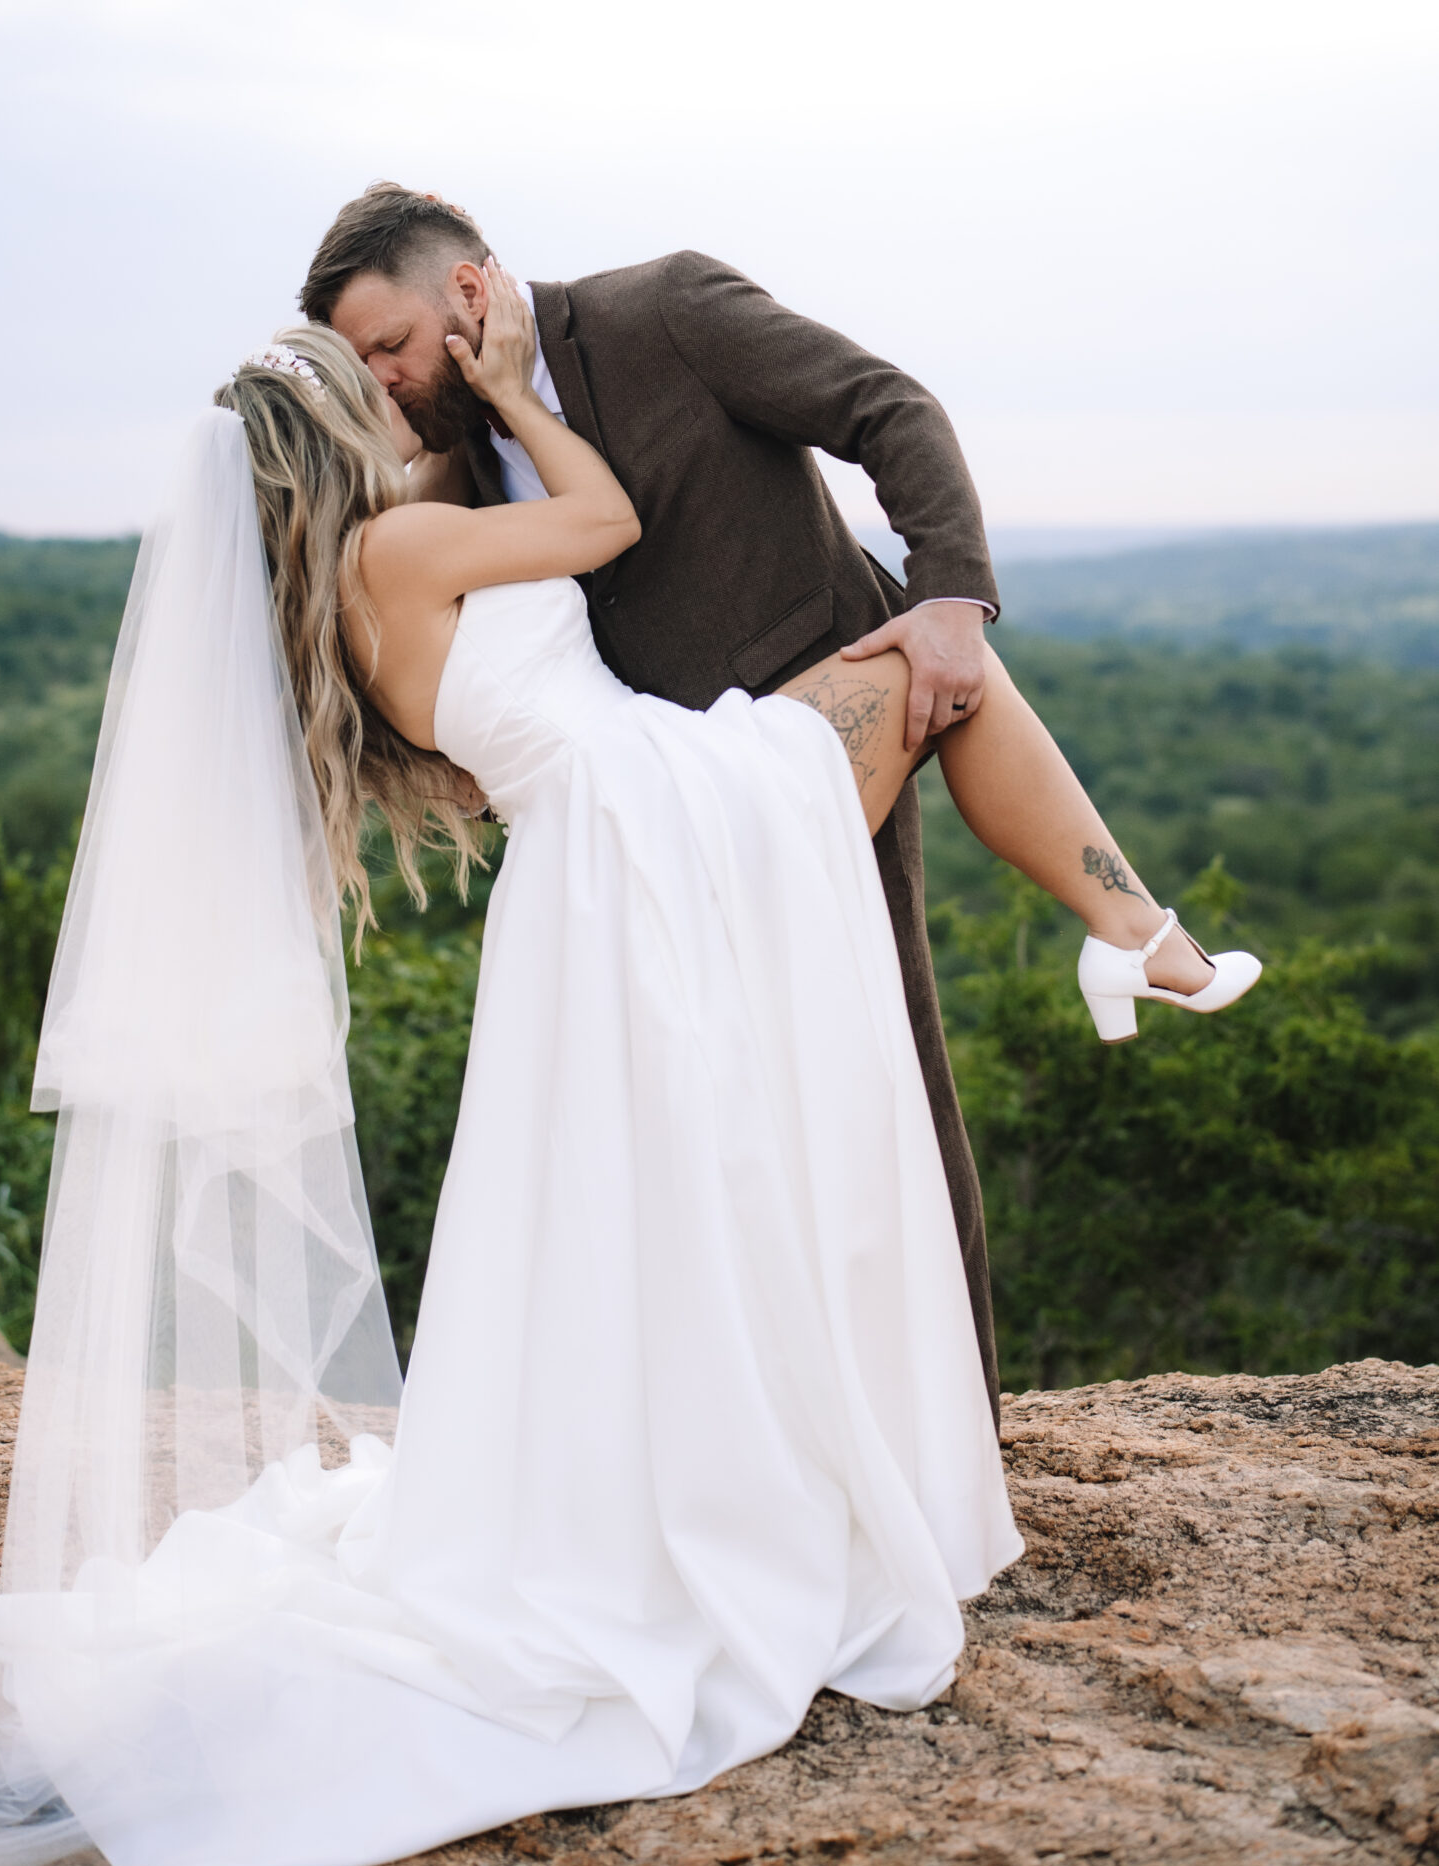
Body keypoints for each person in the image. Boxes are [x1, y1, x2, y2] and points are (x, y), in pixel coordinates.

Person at [0, 276, 1258, 1866]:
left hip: (597, 873)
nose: (409, 392)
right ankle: (1134, 940)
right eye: (375, 380)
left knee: (693, 1157)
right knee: (925, 649)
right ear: (337, 436)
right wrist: (523, 392)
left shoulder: (355, 594)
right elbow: (603, 519)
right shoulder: (402, 555)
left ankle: (1131, 946)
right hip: (652, 836)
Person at [306, 186, 1253, 1404]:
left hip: (814, 754)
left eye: (390, 346)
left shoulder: (668, 310)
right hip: (654, 832)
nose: (381, 379)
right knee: (711, 1156)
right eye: (360, 363)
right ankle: (747, 1435)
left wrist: (953, 597)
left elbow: (887, 407)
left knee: (888, 1085)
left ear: (471, 294)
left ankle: (954, 1422)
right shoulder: (438, 481)